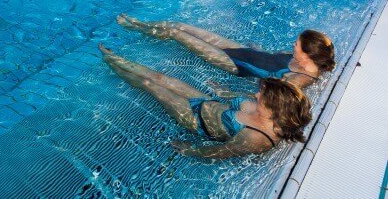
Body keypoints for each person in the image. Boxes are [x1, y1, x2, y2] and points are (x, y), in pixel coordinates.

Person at [99, 44, 311, 158]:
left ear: (273, 111)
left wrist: (190, 150)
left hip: (194, 118)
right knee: (160, 78)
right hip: (206, 102)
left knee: (149, 84)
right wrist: (222, 91)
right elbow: (237, 99)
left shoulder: (256, 138)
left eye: (261, 97)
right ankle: (114, 58)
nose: (256, 96)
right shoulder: (267, 111)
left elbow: (219, 152)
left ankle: (111, 65)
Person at [117, 15, 335, 91]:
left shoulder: (298, 80)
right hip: (244, 51)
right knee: (182, 26)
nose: (293, 45)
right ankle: (140, 25)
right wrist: (258, 50)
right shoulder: (303, 57)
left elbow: (269, 98)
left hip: (235, 64)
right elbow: (273, 58)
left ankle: (135, 27)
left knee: (177, 34)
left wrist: (226, 90)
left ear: (307, 54)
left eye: (297, 44)